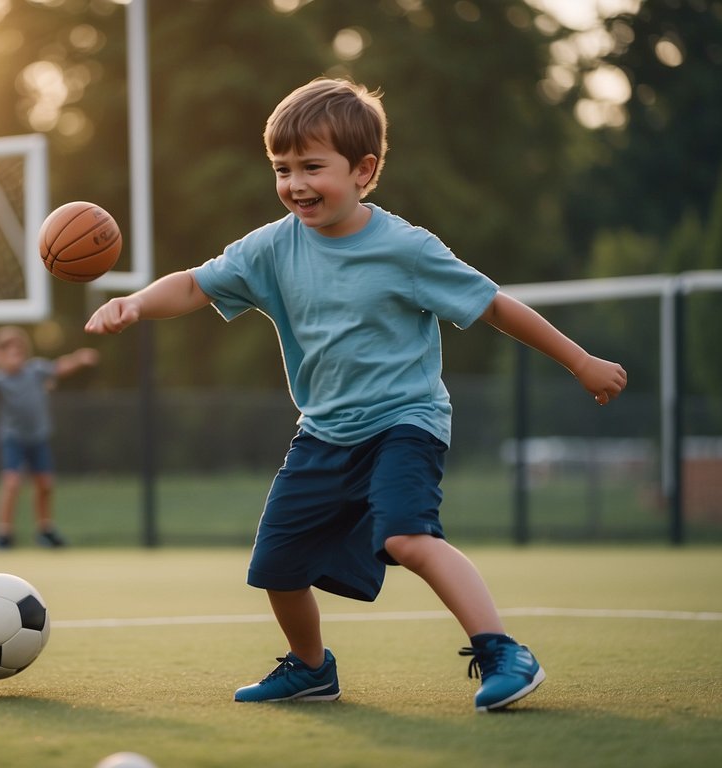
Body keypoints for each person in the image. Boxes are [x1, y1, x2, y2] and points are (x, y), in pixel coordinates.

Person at [84, 78, 627, 711]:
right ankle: (312, 669)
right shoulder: (272, 247)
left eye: (313, 167)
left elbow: (495, 308)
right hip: (324, 431)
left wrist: (581, 361)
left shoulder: (405, 249)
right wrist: (136, 304)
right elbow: (195, 285)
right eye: (282, 169)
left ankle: (503, 650)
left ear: (364, 170)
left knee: (406, 537)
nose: (295, 184)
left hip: (405, 422)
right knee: (276, 566)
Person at [0, 325, 99, 549]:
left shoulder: (35, 370)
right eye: (9, 350)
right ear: (0, 354)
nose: (16, 354)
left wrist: (79, 359)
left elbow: (59, 367)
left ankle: (45, 530)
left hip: (38, 436)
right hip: (13, 438)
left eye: (19, 349)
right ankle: (3, 534)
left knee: (45, 484)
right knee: (11, 482)